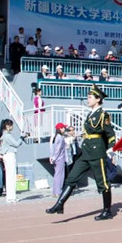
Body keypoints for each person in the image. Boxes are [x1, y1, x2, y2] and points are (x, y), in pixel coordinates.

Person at [47, 84, 116, 220]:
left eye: (90, 97)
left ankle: (107, 210)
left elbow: (110, 133)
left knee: (102, 182)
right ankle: (59, 204)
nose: (88, 99)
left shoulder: (103, 115)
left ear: (98, 99)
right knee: (71, 178)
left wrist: (111, 149)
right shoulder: (90, 114)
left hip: (97, 151)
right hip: (86, 151)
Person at [0, 119, 23, 203]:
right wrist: (22, 138)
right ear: (7, 126)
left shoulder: (4, 135)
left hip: (7, 155)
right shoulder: (7, 136)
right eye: (11, 125)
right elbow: (16, 144)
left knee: (9, 176)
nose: (12, 127)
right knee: (11, 176)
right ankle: (11, 197)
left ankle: (10, 196)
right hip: (9, 155)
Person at [49, 123, 67, 197]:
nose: (64, 129)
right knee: (60, 175)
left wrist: (52, 157)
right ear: (60, 129)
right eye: (63, 128)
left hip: (56, 158)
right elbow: (58, 149)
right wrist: (54, 158)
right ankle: (58, 191)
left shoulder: (55, 136)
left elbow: (52, 148)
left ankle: (55, 191)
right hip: (59, 158)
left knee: (57, 175)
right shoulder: (60, 137)